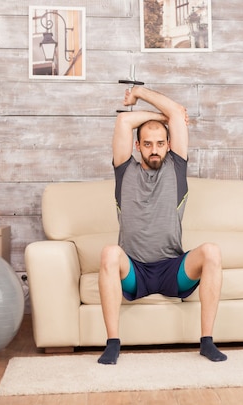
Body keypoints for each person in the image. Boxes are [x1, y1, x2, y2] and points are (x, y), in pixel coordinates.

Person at [97, 85, 226, 365]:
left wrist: (141, 93)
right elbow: (124, 121)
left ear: (168, 145)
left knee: (212, 252)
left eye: (159, 143)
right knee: (109, 253)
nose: (154, 150)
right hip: (135, 269)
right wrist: (164, 117)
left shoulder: (176, 167)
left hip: (172, 268)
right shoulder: (124, 170)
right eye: (147, 143)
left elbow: (178, 115)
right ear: (137, 146)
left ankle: (206, 342)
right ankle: (113, 343)